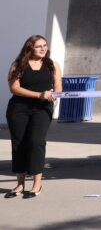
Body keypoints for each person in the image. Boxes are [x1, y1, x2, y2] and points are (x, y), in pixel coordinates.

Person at [5, 35, 62, 198]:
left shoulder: (52, 65)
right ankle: (20, 184)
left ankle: (37, 184)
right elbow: (14, 88)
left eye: (45, 45)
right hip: (19, 109)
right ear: (30, 48)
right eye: (38, 46)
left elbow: (58, 85)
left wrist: (55, 94)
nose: (43, 49)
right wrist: (39, 95)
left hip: (42, 109)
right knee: (19, 144)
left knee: (36, 142)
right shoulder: (18, 65)